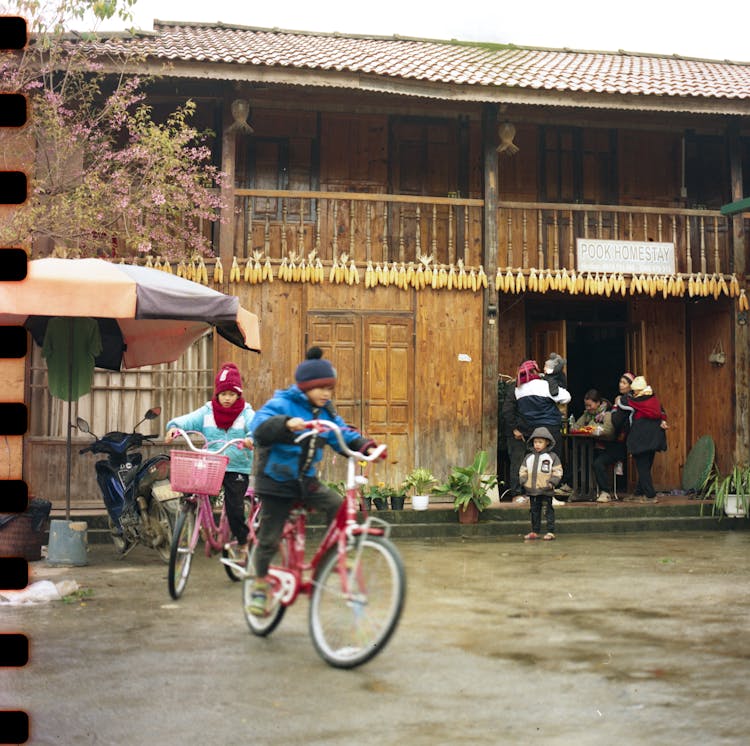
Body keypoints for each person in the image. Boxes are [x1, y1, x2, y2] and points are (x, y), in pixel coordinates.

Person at [247, 347, 382, 616]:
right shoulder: (284, 402)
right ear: (305, 386)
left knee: (339, 507)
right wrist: (286, 424)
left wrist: (365, 446)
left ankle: (336, 556)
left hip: (306, 482)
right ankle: (260, 586)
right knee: (270, 538)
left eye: (329, 389)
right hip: (276, 481)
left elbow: (340, 433)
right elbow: (259, 428)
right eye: (320, 388)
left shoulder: (325, 412)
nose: (326, 394)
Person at [165, 362, 255, 560]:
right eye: (223, 394)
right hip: (211, 465)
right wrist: (174, 427)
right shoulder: (207, 411)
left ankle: (242, 540)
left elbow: (257, 426)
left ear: (238, 394)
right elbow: (187, 420)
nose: (227, 398)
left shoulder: (246, 412)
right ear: (217, 394)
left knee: (234, 508)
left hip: (236, 466)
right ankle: (202, 526)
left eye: (232, 394)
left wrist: (251, 439)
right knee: (192, 489)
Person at [514, 359, 572, 500]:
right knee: (552, 460)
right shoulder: (544, 385)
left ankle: (534, 492)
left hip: (531, 430)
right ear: (534, 371)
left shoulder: (518, 389)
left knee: (534, 462)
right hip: (549, 428)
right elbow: (566, 398)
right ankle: (551, 494)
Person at [616, 375, 668, 501]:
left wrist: (618, 400)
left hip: (642, 438)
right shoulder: (653, 399)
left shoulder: (636, 401)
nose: (633, 393)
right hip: (655, 438)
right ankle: (639, 492)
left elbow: (622, 405)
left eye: (634, 391)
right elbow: (662, 413)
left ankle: (650, 495)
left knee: (642, 467)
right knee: (646, 465)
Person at [571, 389, 617, 502]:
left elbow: (609, 431)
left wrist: (595, 430)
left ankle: (605, 492)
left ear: (598, 403)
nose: (587, 408)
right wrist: (580, 428)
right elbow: (576, 426)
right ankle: (576, 487)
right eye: (586, 405)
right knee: (579, 458)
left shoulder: (607, 413)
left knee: (597, 463)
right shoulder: (587, 414)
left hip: (610, 448)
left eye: (590, 405)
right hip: (593, 448)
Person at [519, 426, 563, 541]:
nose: (537, 444)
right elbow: (523, 470)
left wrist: (553, 482)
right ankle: (535, 531)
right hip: (532, 490)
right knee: (534, 511)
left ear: (547, 442)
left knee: (548, 510)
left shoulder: (552, 457)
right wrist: (523, 480)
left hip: (546, 489)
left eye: (540, 442)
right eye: (535, 442)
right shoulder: (529, 457)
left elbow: (558, 471)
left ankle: (550, 531)